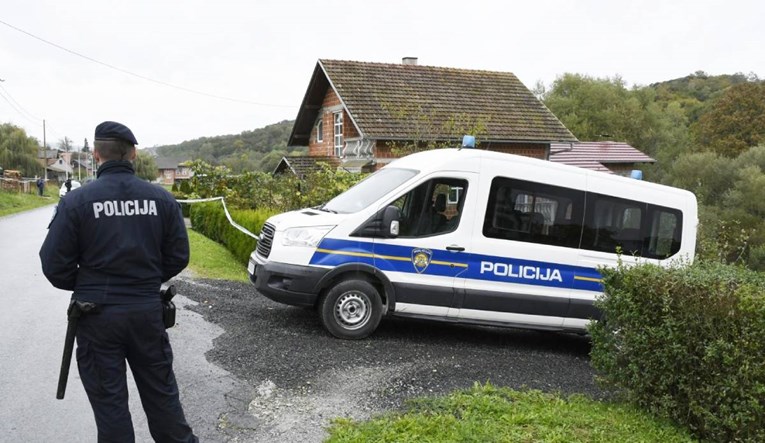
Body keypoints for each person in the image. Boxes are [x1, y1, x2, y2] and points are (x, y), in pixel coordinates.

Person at [39, 121, 197, 442]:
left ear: (96, 155)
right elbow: (178, 255)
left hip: (96, 316)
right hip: (146, 313)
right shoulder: (162, 199)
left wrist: (91, 284)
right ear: (133, 154)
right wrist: (144, 280)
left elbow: (54, 264)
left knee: (110, 407)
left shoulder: (76, 202)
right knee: (163, 399)